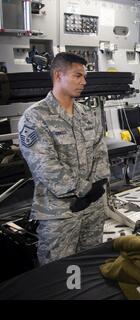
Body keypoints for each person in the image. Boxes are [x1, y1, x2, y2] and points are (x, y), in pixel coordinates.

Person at [18, 52, 110, 265]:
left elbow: (100, 152)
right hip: (59, 214)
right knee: (60, 274)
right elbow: (45, 166)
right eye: (78, 76)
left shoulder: (88, 114)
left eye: (84, 77)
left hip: (93, 208)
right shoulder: (35, 117)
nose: (84, 82)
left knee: (89, 267)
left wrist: (95, 189)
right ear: (59, 75)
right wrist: (84, 189)